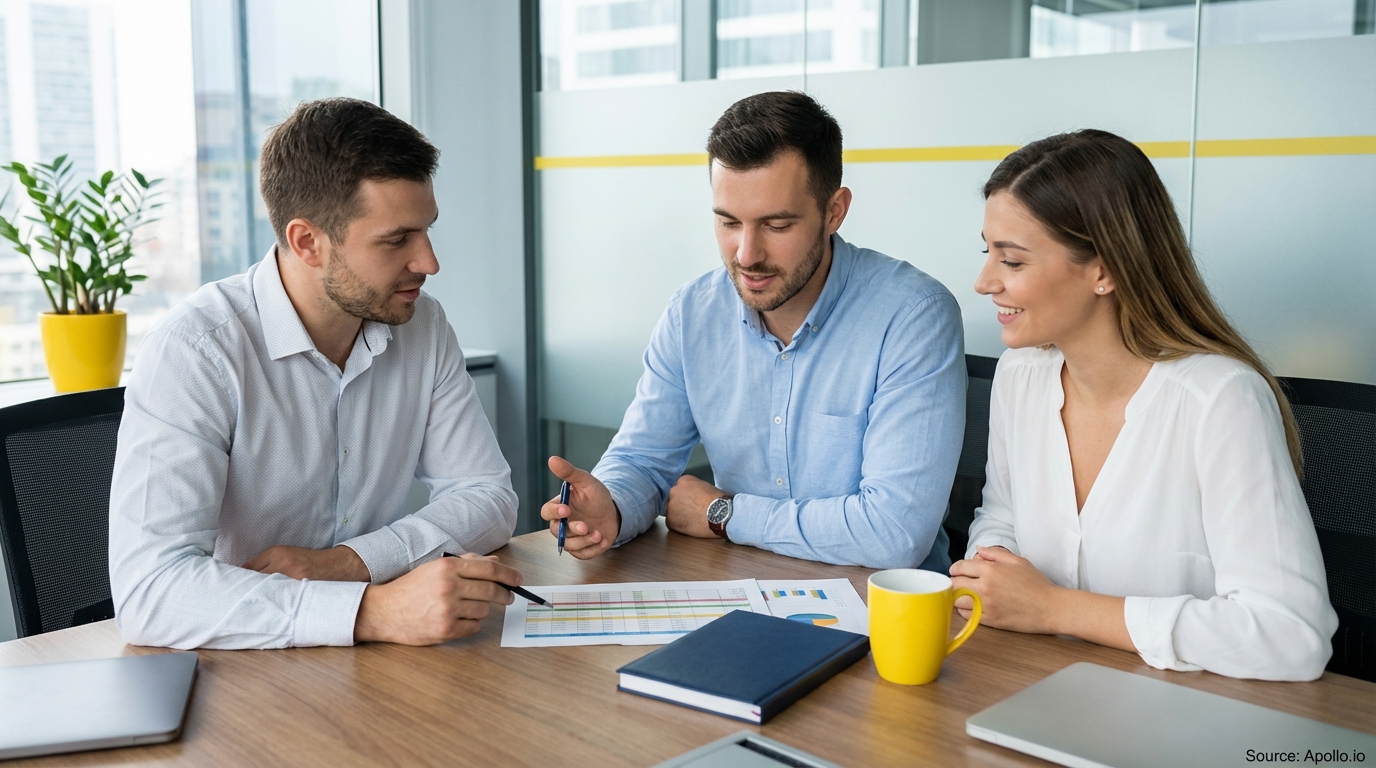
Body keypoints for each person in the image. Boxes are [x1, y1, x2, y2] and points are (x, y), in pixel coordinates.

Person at [109, 98, 523, 650]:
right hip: (239, 667)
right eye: (397, 240)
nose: (429, 262)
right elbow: (150, 591)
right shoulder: (196, 352)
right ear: (308, 242)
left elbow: (486, 495)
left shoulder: (422, 324)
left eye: (426, 231)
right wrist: (370, 612)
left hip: (381, 668)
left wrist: (351, 565)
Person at [951, 129, 1337, 681]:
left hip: (1184, 712)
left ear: (1104, 270)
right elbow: (1002, 515)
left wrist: (1055, 608)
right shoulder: (1022, 374)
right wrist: (994, 575)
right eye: (987, 252)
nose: (985, 281)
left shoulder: (1219, 400)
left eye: (1011, 261)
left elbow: (1292, 635)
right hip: (1036, 681)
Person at [540, 91, 965, 570]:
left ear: (834, 211)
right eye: (728, 222)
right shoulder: (692, 313)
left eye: (776, 225)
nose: (746, 255)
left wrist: (725, 514)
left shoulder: (911, 315)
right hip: (742, 586)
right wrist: (610, 508)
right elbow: (642, 460)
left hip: (883, 610)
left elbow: (893, 532)